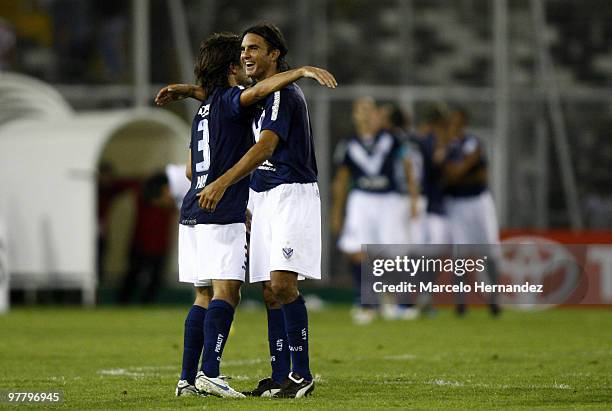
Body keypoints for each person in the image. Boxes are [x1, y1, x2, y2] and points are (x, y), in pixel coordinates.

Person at [156, 30, 336, 398]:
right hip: (258, 197)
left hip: (288, 192)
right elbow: (229, 98)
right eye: (241, 51)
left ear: (274, 53)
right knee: (268, 290)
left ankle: (300, 375)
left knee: (278, 285)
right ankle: (278, 375)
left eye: (253, 48)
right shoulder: (249, 97)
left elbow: (266, 145)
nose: (246, 55)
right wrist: (192, 90)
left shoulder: (282, 94)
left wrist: (222, 182)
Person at [331, 97, 417, 324]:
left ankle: (399, 301)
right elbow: (341, 180)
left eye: (371, 109)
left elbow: (408, 168)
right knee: (356, 251)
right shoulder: (348, 144)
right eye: (362, 109)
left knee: (393, 253)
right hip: (361, 199)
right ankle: (366, 302)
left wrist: (413, 199)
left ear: (377, 114)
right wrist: (336, 212)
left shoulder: (391, 139)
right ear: (355, 115)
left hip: (387, 199)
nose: (367, 114)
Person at [444, 107, 501, 316]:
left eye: (458, 121)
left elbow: (481, 177)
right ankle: (461, 301)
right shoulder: (446, 146)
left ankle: (494, 298)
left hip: (479, 201)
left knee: (489, 250)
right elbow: (448, 176)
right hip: (456, 204)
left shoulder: (474, 143)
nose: (454, 126)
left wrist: (458, 173)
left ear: (464, 123)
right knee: (460, 254)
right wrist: (468, 165)